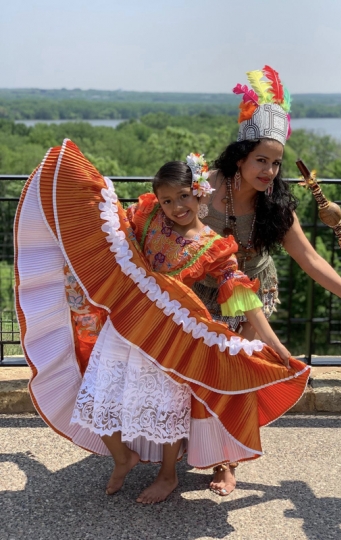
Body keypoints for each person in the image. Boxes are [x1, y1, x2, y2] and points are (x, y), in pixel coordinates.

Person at [14, 139, 310, 505]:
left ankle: (168, 475)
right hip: (123, 326)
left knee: (165, 407)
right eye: (168, 200)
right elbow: (115, 235)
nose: (176, 207)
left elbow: (247, 300)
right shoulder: (149, 215)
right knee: (96, 396)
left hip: (167, 339)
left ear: (199, 193)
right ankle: (124, 456)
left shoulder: (213, 246)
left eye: (184, 197)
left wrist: (275, 346)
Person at [192, 64, 341, 496]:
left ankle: (225, 461)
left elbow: (311, 259)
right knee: (194, 370)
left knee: (232, 368)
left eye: (276, 163)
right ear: (239, 158)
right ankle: (184, 449)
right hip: (197, 291)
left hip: (251, 297)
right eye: (261, 160)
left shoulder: (276, 205)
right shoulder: (204, 188)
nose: (269, 171)